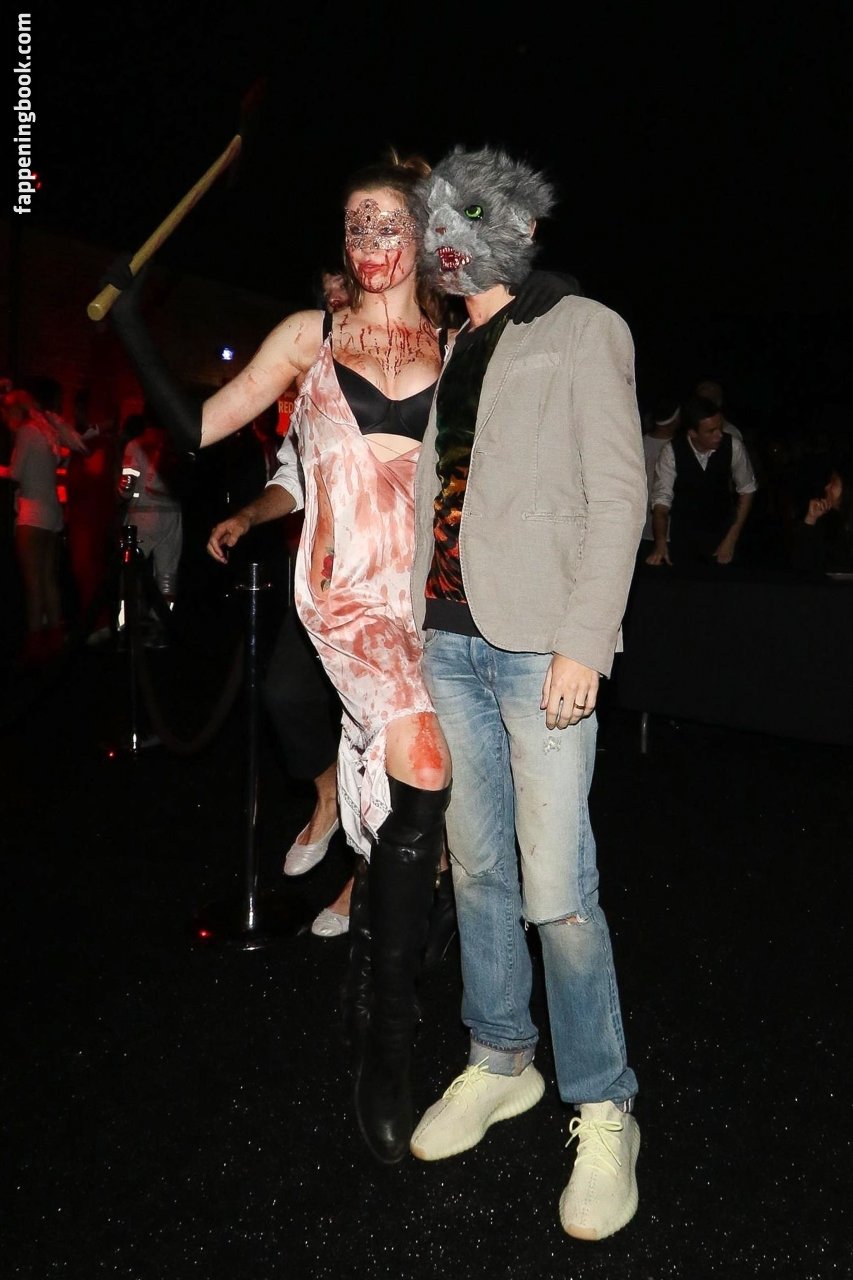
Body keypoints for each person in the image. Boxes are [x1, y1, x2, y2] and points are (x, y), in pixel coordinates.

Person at [106, 149, 571, 1166]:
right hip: (346, 597)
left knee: (434, 803)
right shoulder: (306, 337)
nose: (367, 241)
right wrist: (134, 322)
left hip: (437, 599)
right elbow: (198, 426)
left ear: (423, 236)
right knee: (425, 766)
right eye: (353, 224)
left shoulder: (459, 341)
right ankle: (386, 1045)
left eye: (386, 222)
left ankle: (383, 953)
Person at [405, 146, 647, 1244]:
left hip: (540, 644)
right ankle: (500, 1057)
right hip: (448, 642)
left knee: (557, 886)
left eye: (464, 220)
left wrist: (583, 640)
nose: (445, 244)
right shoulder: (454, 345)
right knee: (478, 869)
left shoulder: (583, 326)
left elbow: (618, 494)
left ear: (517, 227)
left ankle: (603, 1103)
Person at [2, 378, 89, 664]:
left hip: (32, 514)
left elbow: (16, 473)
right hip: (52, 513)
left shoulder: (27, 432)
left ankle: (35, 644)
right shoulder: (47, 431)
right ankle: (55, 639)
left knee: (33, 583)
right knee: (49, 579)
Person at [645, 392, 757, 568]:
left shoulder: (733, 446)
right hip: (684, 538)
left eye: (720, 428)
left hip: (723, 532)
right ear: (692, 433)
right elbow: (661, 503)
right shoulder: (671, 452)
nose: (719, 435)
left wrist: (731, 539)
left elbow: (747, 490)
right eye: (711, 431)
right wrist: (660, 542)